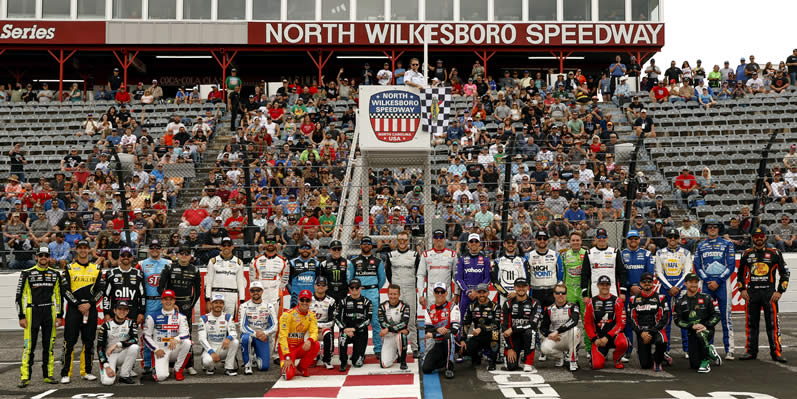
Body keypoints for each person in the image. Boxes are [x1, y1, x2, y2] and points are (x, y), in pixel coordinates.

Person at [738, 228, 789, 363]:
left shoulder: (775, 253)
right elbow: (740, 275)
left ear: (765, 238)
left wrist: (780, 291)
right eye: (756, 236)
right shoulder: (746, 254)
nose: (759, 238)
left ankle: (776, 352)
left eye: (761, 236)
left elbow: (785, 273)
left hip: (769, 294)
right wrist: (742, 290)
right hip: (752, 294)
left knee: (773, 325)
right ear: (752, 238)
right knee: (751, 324)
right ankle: (750, 351)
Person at [15, 247, 62, 388]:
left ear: (49, 258)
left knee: (49, 346)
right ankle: (25, 377)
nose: (43, 257)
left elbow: (59, 296)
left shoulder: (55, 274)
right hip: (32, 312)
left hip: (49, 311)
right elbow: (19, 297)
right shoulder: (26, 273)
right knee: (29, 346)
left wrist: (59, 315)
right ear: (36, 257)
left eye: (46, 255)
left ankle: (48, 375)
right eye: (40, 255)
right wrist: (21, 316)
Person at [60, 240, 104, 383]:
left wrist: (89, 304)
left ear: (89, 250)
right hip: (74, 309)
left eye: (85, 248)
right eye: (80, 248)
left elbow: (100, 290)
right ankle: (66, 373)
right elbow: (65, 290)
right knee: (69, 341)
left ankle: (87, 371)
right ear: (77, 250)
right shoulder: (69, 267)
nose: (83, 250)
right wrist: (78, 304)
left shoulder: (96, 268)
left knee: (89, 341)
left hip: (90, 310)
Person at [693, 218, 737, 360]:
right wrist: (707, 280)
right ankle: (707, 348)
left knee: (726, 317)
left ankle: (729, 349)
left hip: (722, 283)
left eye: (715, 227)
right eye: (709, 227)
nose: (712, 229)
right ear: (706, 229)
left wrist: (718, 281)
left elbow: (731, 266)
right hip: (706, 283)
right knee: (705, 318)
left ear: (719, 229)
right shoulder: (700, 245)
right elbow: (697, 266)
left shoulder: (727, 244)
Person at [158, 246, 202, 373]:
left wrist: (190, 306)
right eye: (181, 253)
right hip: (170, 304)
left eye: (186, 253)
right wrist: (170, 303)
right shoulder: (169, 267)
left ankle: (189, 364)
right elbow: (160, 287)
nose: (184, 255)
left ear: (190, 256)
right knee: (168, 334)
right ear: (177, 255)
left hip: (186, 304)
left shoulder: (195, 269)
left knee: (186, 336)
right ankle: (168, 362)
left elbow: (198, 291)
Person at [249, 233, 289, 364]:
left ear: (277, 243)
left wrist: (276, 290)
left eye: (273, 241)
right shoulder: (256, 260)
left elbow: (285, 280)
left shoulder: (283, 260)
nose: (270, 244)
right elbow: (253, 279)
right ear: (264, 243)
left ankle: (275, 353)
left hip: (275, 295)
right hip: (260, 294)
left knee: (275, 324)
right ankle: (255, 353)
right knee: (258, 322)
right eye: (268, 241)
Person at [655, 228, 692, 359]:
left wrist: (678, 287)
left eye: (675, 237)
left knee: (684, 318)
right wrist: (669, 287)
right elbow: (658, 272)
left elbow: (687, 271)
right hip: (665, 289)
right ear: (666, 239)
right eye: (670, 237)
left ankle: (687, 349)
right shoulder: (660, 253)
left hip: (681, 289)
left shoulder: (686, 252)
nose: (672, 239)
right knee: (665, 319)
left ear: (678, 239)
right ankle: (666, 348)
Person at [136, 239, 172, 374]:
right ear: (149, 249)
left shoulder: (168, 263)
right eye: (152, 247)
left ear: (161, 249)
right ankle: (147, 363)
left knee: (166, 333)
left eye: (158, 247)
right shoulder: (141, 264)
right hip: (148, 303)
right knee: (147, 333)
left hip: (164, 303)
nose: (155, 250)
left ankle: (164, 361)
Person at [673, 273, 721, 372]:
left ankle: (705, 362)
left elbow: (717, 315)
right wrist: (692, 326)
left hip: (707, 330)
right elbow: (677, 320)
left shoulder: (707, 298)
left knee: (701, 334)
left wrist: (705, 325)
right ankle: (710, 350)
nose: (694, 285)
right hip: (692, 332)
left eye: (696, 282)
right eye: (691, 282)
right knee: (694, 364)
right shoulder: (679, 301)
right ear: (685, 284)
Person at [348, 236, 387, 357]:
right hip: (358, 293)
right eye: (364, 243)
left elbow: (382, 279)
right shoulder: (353, 261)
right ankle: (359, 350)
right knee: (358, 321)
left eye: (368, 243)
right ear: (360, 245)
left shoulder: (377, 261)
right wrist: (356, 291)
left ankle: (378, 349)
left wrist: (374, 289)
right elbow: (350, 279)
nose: (366, 245)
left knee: (375, 321)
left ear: (371, 246)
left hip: (372, 292)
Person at [384, 231, 421, 358]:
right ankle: (395, 348)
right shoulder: (391, 255)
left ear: (408, 241)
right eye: (400, 240)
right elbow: (388, 273)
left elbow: (419, 274)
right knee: (395, 319)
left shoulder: (415, 255)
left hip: (410, 289)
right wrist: (395, 288)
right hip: (396, 291)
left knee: (411, 320)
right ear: (396, 241)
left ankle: (415, 347)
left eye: (405, 240)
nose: (402, 242)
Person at [143, 290, 192, 382]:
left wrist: (176, 339)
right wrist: (156, 349)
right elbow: (146, 336)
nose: (168, 302)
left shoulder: (181, 317)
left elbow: (186, 334)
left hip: (174, 348)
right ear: (162, 301)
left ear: (174, 301)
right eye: (166, 299)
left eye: (171, 299)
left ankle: (178, 369)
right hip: (161, 350)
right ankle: (156, 366)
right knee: (161, 377)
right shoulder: (152, 316)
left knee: (187, 342)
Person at [621, 230, 655, 361]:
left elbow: (650, 274)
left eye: (635, 238)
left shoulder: (646, 254)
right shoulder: (622, 254)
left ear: (639, 240)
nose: (633, 240)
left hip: (643, 293)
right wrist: (630, 286)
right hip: (628, 292)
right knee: (628, 321)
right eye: (631, 238)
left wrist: (640, 287)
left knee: (645, 321)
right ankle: (628, 349)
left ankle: (645, 349)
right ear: (627, 240)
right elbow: (621, 274)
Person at [628, 273, 670, 371]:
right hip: (642, 332)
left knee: (662, 340)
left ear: (653, 283)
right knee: (645, 365)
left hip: (656, 330)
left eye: (649, 281)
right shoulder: (633, 299)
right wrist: (641, 333)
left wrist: (651, 332)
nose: (647, 283)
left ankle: (658, 360)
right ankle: (660, 356)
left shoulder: (661, 298)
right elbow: (631, 319)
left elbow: (665, 318)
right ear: (640, 284)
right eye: (644, 282)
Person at [584, 275, 628, 370]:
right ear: (598, 286)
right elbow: (587, 324)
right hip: (599, 339)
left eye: (607, 284)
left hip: (613, 336)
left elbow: (621, 323)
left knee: (623, 342)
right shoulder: (591, 302)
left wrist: (608, 336)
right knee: (596, 366)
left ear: (610, 286)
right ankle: (599, 354)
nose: (604, 287)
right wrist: (594, 339)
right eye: (602, 284)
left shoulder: (617, 301)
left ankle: (617, 358)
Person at [501, 278, 542, 372]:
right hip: (514, 338)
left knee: (531, 332)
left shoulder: (535, 303)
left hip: (527, 335)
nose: (521, 289)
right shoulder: (507, 304)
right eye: (518, 286)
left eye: (523, 286)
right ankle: (517, 354)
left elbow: (533, 324)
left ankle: (528, 362)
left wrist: (514, 329)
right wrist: (509, 348)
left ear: (527, 287)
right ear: (514, 288)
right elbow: (504, 327)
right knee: (511, 367)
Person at [278, 289, 320, 380]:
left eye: (307, 300)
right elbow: (282, 337)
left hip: (299, 346)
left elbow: (314, 332)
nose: (304, 303)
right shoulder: (287, 315)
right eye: (302, 300)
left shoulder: (311, 315)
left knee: (315, 344)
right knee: (288, 376)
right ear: (298, 300)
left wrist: (309, 340)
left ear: (310, 302)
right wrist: (287, 356)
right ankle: (288, 365)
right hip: (287, 349)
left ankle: (302, 367)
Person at [539, 281, 581, 371]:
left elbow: (574, 321)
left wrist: (557, 331)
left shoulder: (573, 306)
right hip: (556, 338)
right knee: (544, 348)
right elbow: (543, 328)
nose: (560, 295)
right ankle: (560, 356)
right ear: (554, 294)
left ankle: (572, 360)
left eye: (563, 293)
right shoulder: (549, 309)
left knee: (575, 329)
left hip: (569, 336)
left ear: (566, 294)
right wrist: (550, 334)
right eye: (558, 293)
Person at [422, 282, 460, 378]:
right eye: (437, 292)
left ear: (446, 293)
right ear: (433, 293)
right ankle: (447, 359)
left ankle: (449, 368)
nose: (440, 294)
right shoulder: (429, 310)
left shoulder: (453, 307)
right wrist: (438, 330)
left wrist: (435, 334)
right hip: (439, 343)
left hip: (454, 342)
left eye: (442, 292)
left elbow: (454, 330)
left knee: (448, 336)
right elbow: (428, 331)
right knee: (426, 368)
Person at [239, 281, 278, 374]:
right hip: (250, 334)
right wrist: (255, 334)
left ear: (262, 291)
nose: (255, 292)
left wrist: (265, 333)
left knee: (264, 367)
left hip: (262, 336)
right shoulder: (244, 306)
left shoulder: (269, 306)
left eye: (258, 290)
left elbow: (275, 326)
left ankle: (256, 356)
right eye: (253, 290)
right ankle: (248, 366)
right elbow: (242, 326)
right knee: (245, 338)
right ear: (250, 292)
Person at [97, 301, 139, 385]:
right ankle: (111, 368)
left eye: (125, 309)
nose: (122, 312)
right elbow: (99, 348)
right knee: (107, 382)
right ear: (114, 311)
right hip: (110, 355)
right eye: (119, 309)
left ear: (128, 312)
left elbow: (135, 339)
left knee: (135, 347)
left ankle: (124, 375)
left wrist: (117, 344)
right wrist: (107, 366)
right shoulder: (106, 325)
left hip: (122, 353)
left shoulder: (131, 323)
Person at [461, 283, 500, 371]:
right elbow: (466, 324)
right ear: (476, 293)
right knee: (464, 350)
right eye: (479, 292)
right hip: (478, 336)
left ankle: (492, 360)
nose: (482, 294)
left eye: (484, 292)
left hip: (490, 335)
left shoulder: (495, 307)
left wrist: (482, 329)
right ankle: (478, 354)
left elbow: (496, 325)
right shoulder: (472, 306)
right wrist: (463, 339)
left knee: (495, 333)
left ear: (488, 293)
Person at [102, 247, 146, 326]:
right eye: (123, 255)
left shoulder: (139, 274)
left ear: (132, 258)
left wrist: (141, 312)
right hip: (115, 312)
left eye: (128, 255)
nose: (126, 257)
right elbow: (106, 295)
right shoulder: (111, 273)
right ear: (119, 257)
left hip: (132, 312)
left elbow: (142, 295)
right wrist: (106, 313)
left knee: (132, 337)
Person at [581, 228, 628, 300]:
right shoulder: (589, 253)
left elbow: (622, 272)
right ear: (595, 238)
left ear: (607, 238)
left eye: (604, 237)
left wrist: (623, 292)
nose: (601, 239)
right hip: (595, 290)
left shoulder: (615, 252)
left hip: (612, 289)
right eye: (599, 237)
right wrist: (585, 294)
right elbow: (584, 274)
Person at [198, 294, 239, 375]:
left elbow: (233, 332)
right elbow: (201, 339)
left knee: (235, 342)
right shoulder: (204, 318)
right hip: (210, 348)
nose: (218, 305)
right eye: (216, 302)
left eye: (221, 303)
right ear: (211, 304)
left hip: (223, 347)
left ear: (223, 305)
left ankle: (229, 368)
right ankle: (210, 367)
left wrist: (228, 338)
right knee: (207, 362)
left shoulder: (228, 317)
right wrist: (211, 352)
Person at [336, 278, 372, 371]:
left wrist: (355, 329)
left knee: (357, 364)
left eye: (357, 287)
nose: (354, 290)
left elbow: (368, 320)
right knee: (343, 337)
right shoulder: (343, 301)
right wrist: (345, 329)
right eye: (352, 288)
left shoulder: (367, 302)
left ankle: (358, 355)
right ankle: (343, 361)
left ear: (361, 288)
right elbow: (337, 318)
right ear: (349, 289)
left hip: (360, 332)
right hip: (346, 331)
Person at [205, 237, 246, 317]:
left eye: (228, 245)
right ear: (220, 247)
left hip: (232, 296)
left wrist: (242, 301)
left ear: (232, 247)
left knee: (230, 321)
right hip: (216, 294)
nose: (226, 247)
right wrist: (207, 300)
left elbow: (240, 282)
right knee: (214, 320)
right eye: (224, 245)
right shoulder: (213, 261)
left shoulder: (238, 262)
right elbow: (208, 281)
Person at [456, 233, 492, 323]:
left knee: (482, 322)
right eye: (471, 241)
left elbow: (487, 278)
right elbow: (458, 278)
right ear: (468, 243)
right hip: (466, 294)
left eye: (476, 241)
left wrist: (477, 291)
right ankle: (460, 337)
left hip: (480, 295)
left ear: (479, 243)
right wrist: (467, 291)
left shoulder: (485, 259)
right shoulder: (462, 259)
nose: (474, 243)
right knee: (461, 321)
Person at [417, 230, 457, 307]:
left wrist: (456, 294)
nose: (438, 239)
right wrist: (421, 295)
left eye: (441, 237)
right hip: (431, 294)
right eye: (436, 237)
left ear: (444, 239)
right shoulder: (426, 255)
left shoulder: (452, 254)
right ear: (433, 239)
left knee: (447, 317)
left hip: (446, 293)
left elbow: (456, 277)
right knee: (431, 317)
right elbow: (420, 275)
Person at [526, 231, 563, 309]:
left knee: (553, 316)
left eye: (544, 239)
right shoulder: (529, 256)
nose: (542, 241)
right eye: (539, 239)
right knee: (536, 316)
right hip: (535, 291)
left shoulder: (555, 255)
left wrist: (558, 288)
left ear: (548, 241)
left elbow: (560, 273)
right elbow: (525, 274)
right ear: (535, 240)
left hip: (552, 291)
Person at [492, 235, 530, 309]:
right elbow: (494, 281)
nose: (510, 245)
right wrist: (506, 294)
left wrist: (517, 293)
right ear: (504, 244)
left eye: (513, 243)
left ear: (516, 245)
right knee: (503, 319)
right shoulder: (498, 261)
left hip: (520, 297)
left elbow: (527, 280)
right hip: (503, 298)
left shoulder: (523, 261)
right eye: (508, 242)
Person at [378, 285, 411, 369]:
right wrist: (398, 329)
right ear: (387, 294)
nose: (393, 296)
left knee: (402, 336)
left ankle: (403, 361)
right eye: (391, 294)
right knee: (384, 365)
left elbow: (404, 323)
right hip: (388, 336)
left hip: (398, 335)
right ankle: (396, 354)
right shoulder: (382, 306)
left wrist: (389, 329)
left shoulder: (405, 307)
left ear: (399, 294)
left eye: (395, 294)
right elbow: (383, 323)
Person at [309, 276, 337, 369]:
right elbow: (304, 317)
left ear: (327, 287)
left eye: (323, 285)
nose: (320, 286)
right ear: (314, 286)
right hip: (311, 328)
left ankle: (327, 359)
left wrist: (320, 326)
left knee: (328, 333)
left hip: (324, 327)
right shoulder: (308, 299)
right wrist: (314, 326)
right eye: (318, 284)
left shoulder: (331, 301)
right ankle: (313, 357)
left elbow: (332, 321)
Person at [288, 242, 320, 307]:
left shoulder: (316, 263)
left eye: (308, 248)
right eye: (303, 248)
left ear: (311, 250)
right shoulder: (292, 263)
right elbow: (287, 281)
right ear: (299, 250)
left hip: (311, 296)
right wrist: (292, 292)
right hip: (296, 297)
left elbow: (318, 280)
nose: (305, 250)